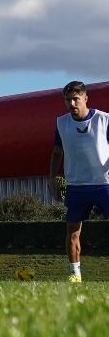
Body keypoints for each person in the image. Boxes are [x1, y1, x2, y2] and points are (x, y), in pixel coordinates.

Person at [51, 80, 109, 283]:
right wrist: (52, 179)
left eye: (76, 99)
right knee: (72, 232)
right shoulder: (61, 123)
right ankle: (75, 275)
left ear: (85, 98)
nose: (72, 104)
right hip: (76, 186)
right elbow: (57, 152)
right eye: (68, 100)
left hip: (104, 184)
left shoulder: (104, 120)